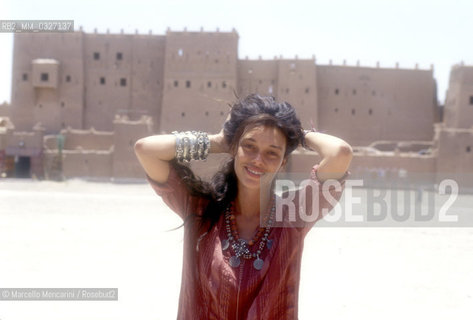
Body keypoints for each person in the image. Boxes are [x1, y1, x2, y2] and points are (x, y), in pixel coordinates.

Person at [134, 94, 352, 319]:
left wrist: (296, 134)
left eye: (272, 152)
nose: (258, 159)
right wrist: (219, 142)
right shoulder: (200, 209)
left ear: (283, 162)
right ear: (234, 148)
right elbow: (146, 150)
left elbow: (340, 153)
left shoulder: (293, 214)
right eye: (249, 146)